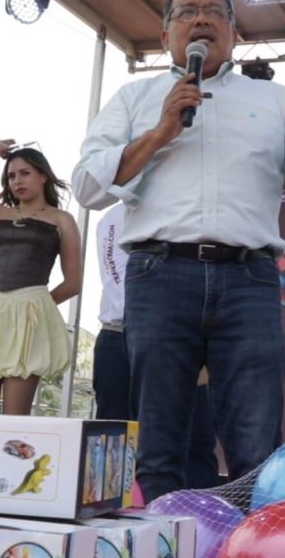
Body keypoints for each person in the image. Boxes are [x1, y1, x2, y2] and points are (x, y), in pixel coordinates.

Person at [72, 0, 285, 502]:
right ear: (165, 35)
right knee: (158, 444)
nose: (201, 19)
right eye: (187, 12)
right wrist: (159, 132)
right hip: (159, 275)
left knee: (255, 443)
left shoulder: (273, 100)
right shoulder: (134, 99)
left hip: (248, 278)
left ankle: (254, 535)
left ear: (234, 34)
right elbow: (87, 187)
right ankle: (160, 534)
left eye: (214, 12)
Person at [0, 139, 83, 415]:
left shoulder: (62, 220)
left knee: (14, 419)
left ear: (43, 176)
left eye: (25, 173)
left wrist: (37, 306)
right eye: (11, 176)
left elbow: (73, 283)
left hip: (28, 318)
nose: (17, 181)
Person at [94, 204, 220, 488]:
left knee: (194, 435)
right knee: (113, 436)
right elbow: (115, 275)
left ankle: (198, 507)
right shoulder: (110, 218)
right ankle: (112, 507)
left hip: (177, 337)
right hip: (117, 332)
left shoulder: (184, 209)